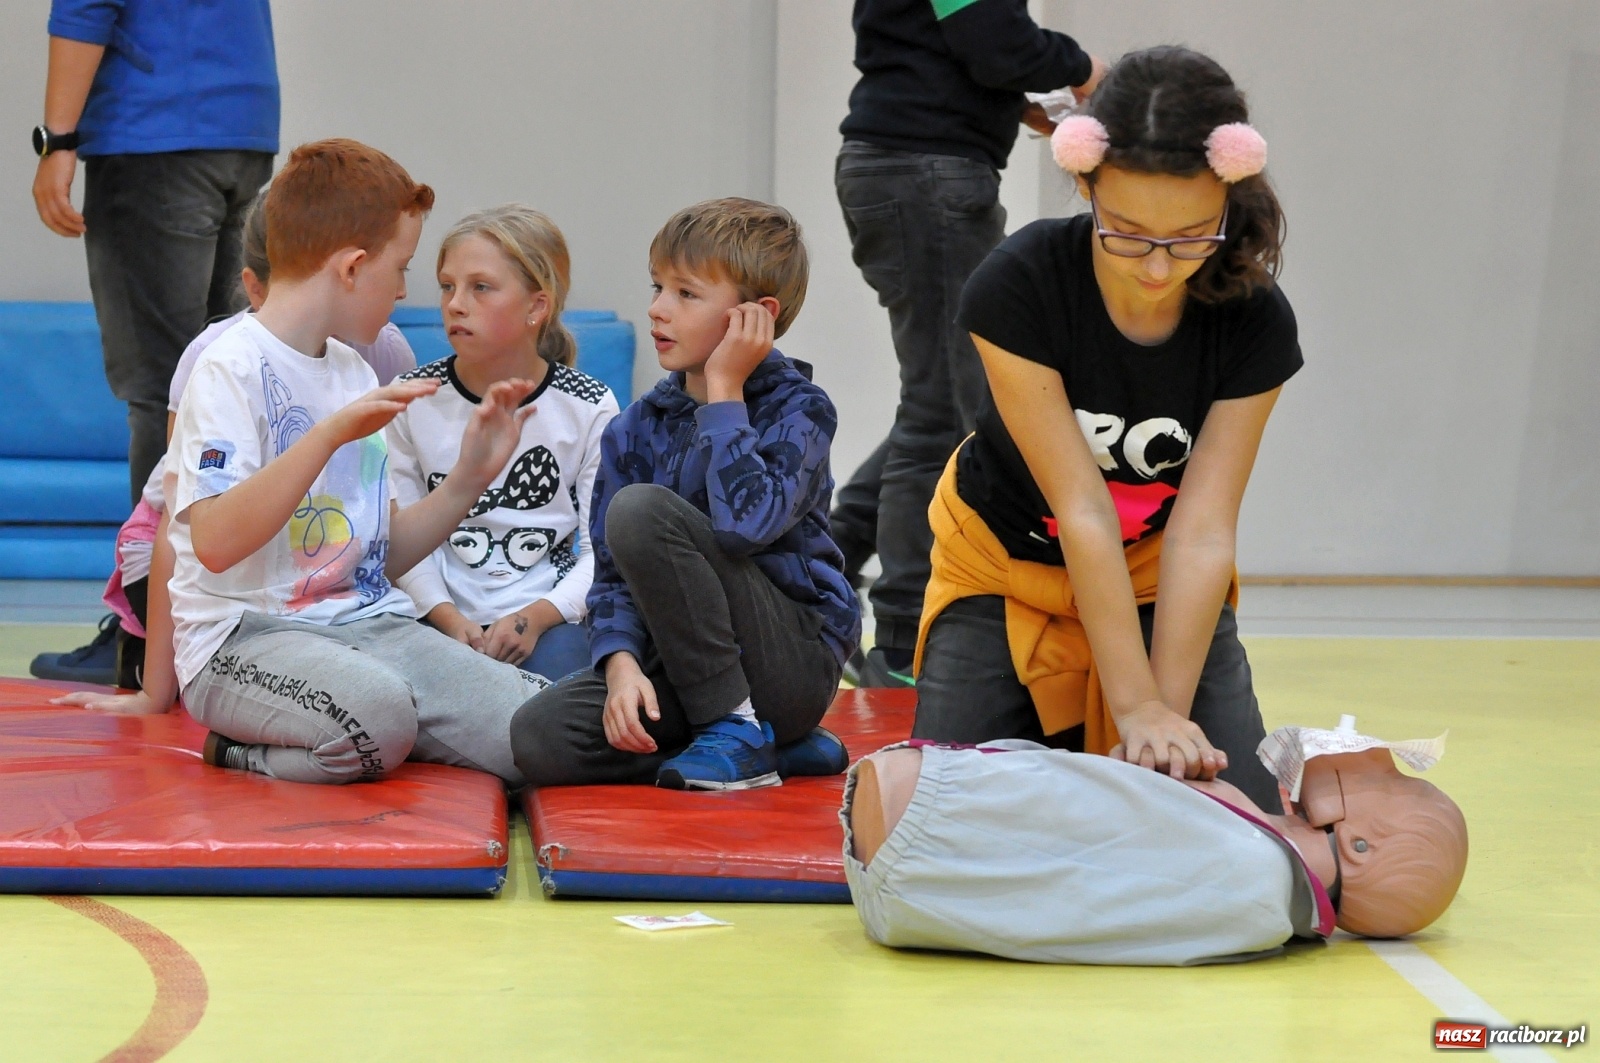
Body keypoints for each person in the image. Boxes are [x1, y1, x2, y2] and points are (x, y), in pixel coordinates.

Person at [908, 46, 1300, 812]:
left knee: (1236, 820)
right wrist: (1133, 707)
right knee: (943, 820)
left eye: (1191, 236)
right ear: (1083, 179)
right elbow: (1081, 507)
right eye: (1126, 231)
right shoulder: (1017, 286)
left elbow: (1202, 530)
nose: (1158, 267)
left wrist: (1165, 722)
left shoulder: (1254, 319)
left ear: (1229, 193)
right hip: (1008, 568)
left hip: (1159, 575)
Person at [160, 138, 549, 786]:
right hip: (241, 641)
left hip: (367, 626)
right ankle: (240, 749)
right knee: (379, 711)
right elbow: (216, 543)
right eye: (399, 269)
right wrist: (329, 435)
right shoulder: (229, 365)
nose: (403, 289)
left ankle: (386, 721)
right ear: (351, 268)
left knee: (539, 726)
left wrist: (468, 479)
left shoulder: (350, 367)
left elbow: (376, 559)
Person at [510, 198, 861, 791]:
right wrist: (621, 667)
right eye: (657, 287)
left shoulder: (801, 409)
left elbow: (745, 527)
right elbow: (613, 578)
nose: (656, 310)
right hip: (681, 662)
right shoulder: (636, 428)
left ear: (756, 316)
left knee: (641, 509)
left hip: (786, 662)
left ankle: (741, 727)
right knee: (539, 738)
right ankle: (765, 745)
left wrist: (725, 388)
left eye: (686, 294)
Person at [51, 190, 418, 716]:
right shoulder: (219, 359)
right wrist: (156, 691)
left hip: (310, 569)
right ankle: (136, 649)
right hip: (185, 566)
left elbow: (377, 519)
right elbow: (176, 532)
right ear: (256, 287)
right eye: (400, 270)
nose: (405, 291)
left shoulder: (377, 351)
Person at [830, 0, 1105, 687]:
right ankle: (898, 638)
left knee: (942, 397)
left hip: (913, 168)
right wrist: (1082, 68)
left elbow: (939, 42)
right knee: (948, 411)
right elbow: (993, 41)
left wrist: (1015, 102)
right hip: (925, 174)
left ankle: (828, 554)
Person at [30, 0, 278, 683]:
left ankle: (146, 637)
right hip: (244, 122)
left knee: (164, 390)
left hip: (153, 131)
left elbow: (84, 10)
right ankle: (220, 624)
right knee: (223, 379)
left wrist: (57, 140)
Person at [843, 739, 1468, 964]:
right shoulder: (1262, 900)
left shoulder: (1251, 867)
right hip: (907, 893)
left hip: (925, 818)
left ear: (1358, 847)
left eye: (1394, 786)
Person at [389, 206, 618, 682]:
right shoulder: (412, 399)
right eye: (448, 286)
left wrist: (533, 619)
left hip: (551, 622)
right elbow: (402, 547)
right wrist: (448, 618)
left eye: (480, 287)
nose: (455, 304)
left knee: (560, 715)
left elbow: (601, 553)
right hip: (434, 619)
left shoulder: (590, 406)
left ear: (537, 307)